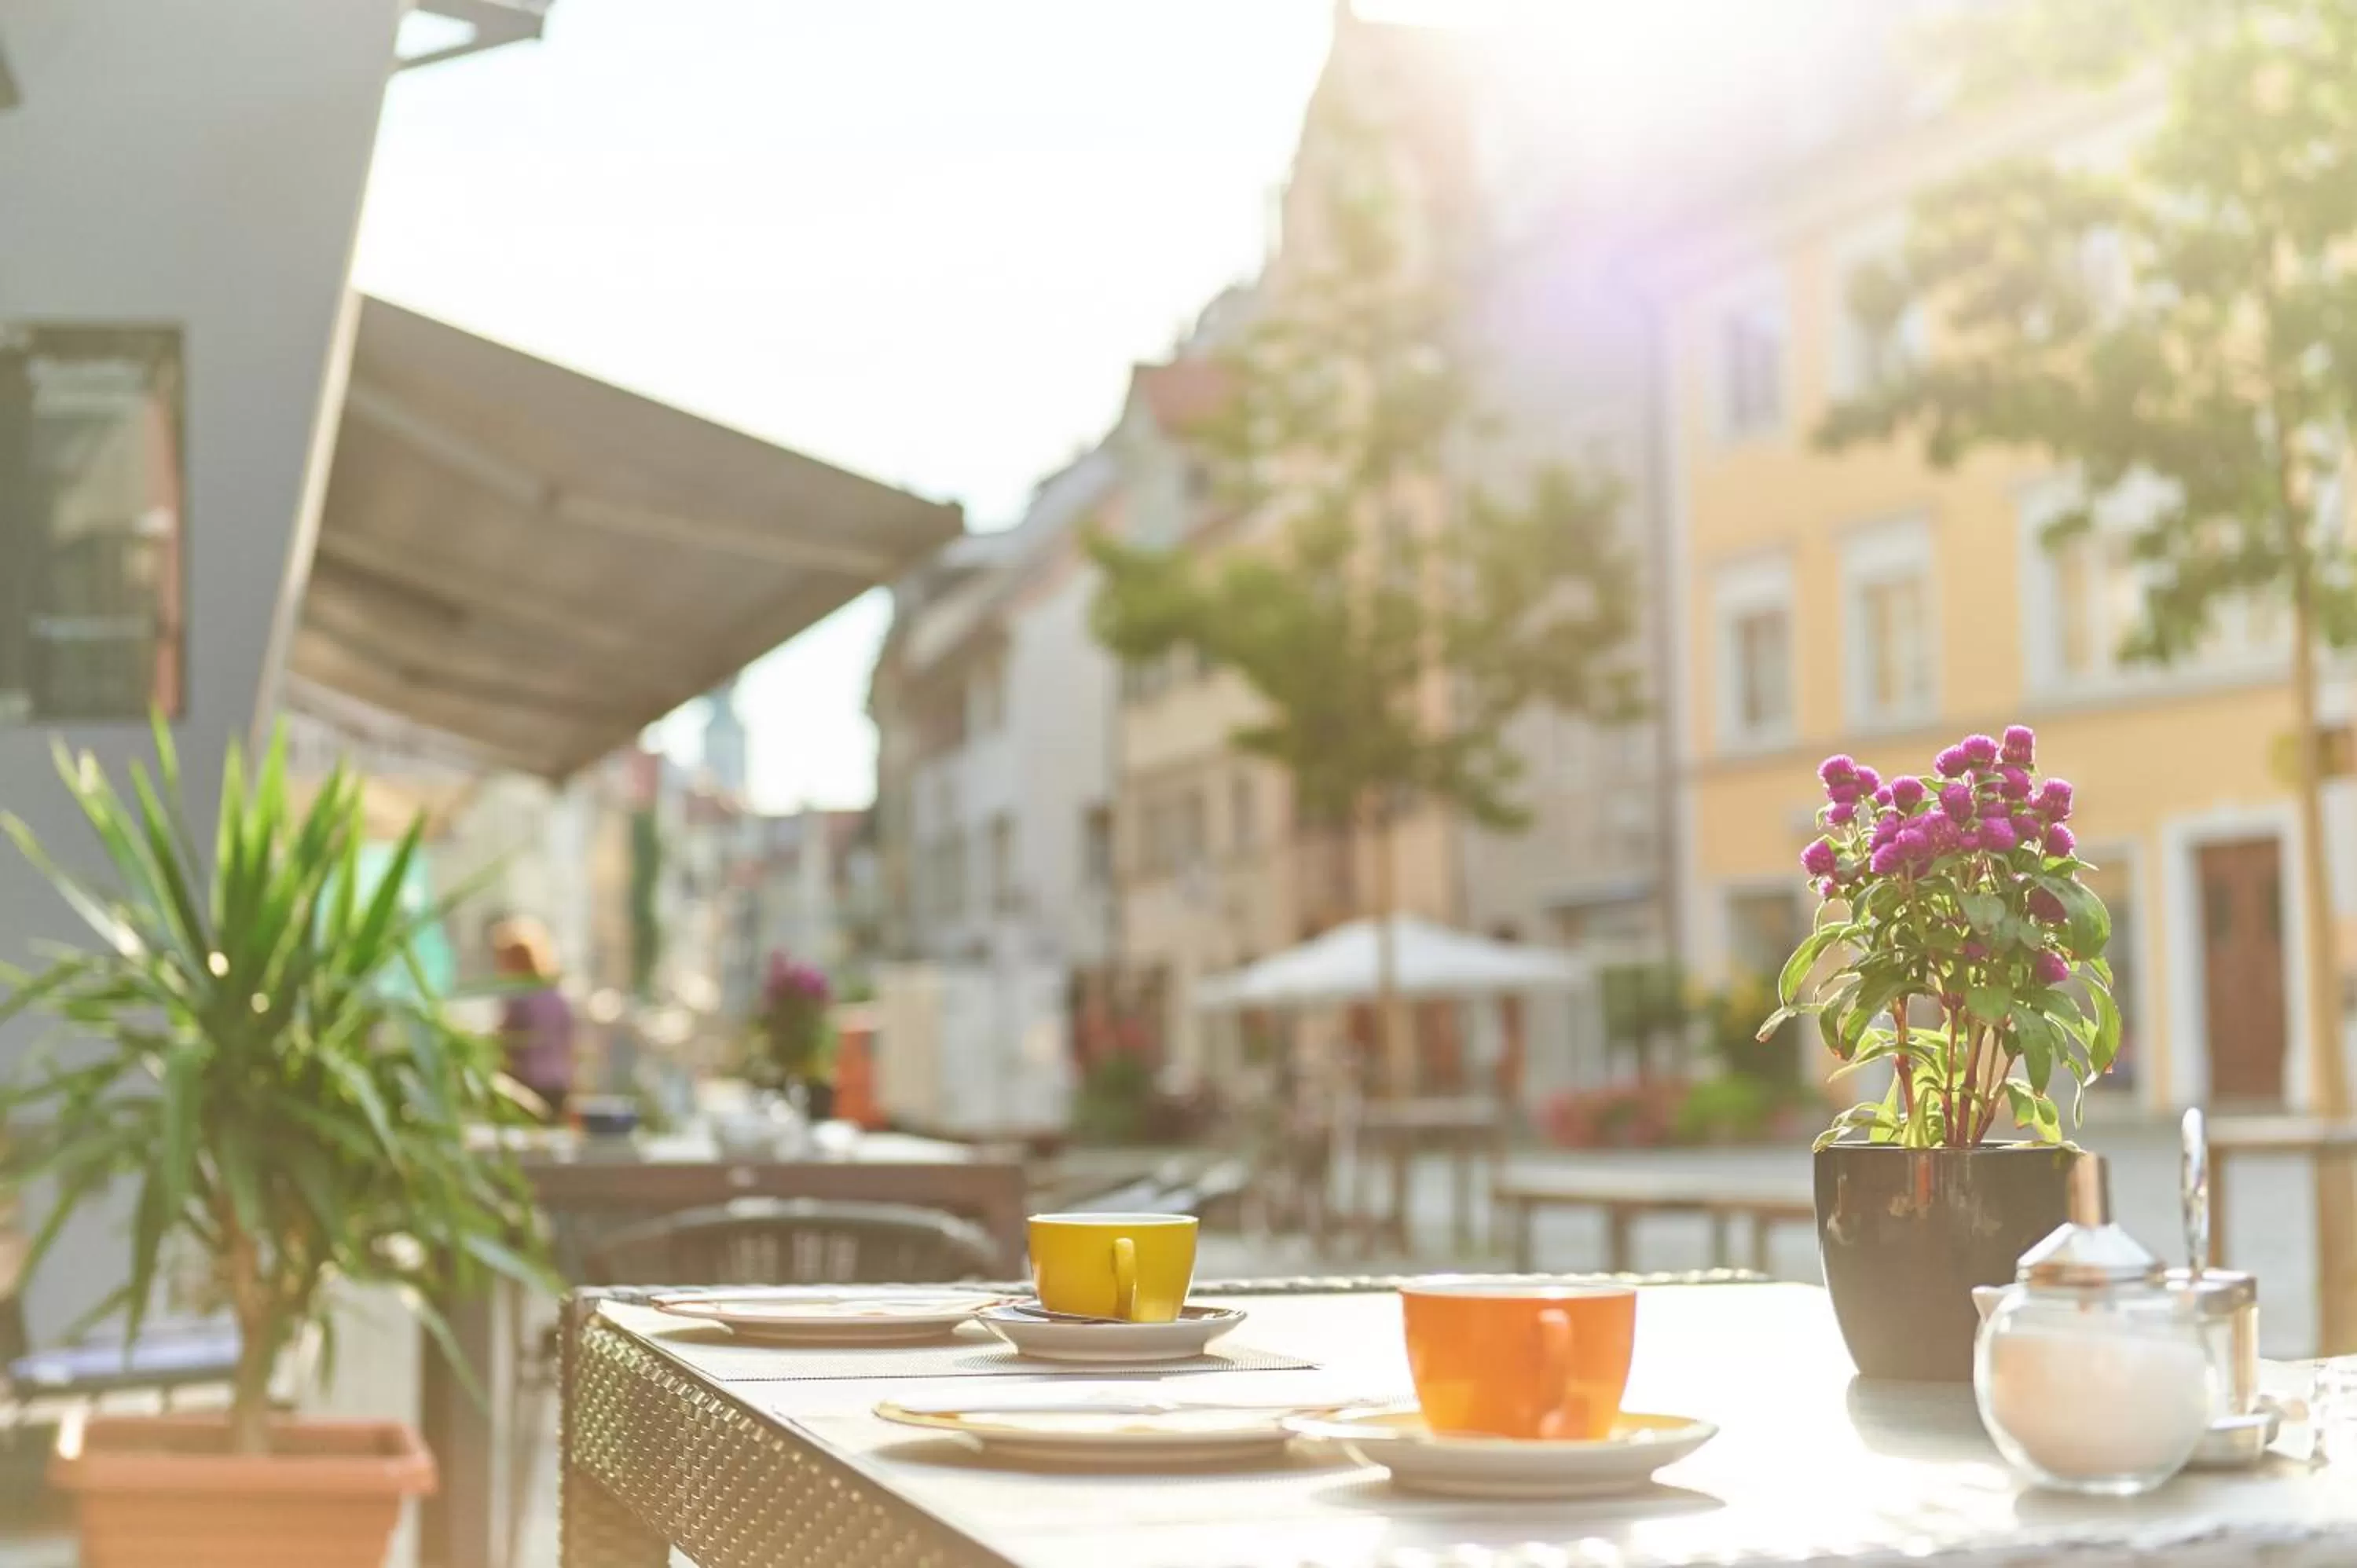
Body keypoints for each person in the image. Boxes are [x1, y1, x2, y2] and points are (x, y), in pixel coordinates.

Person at [490, 917, 575, 1122]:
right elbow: (568, 1041)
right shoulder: (556, 996)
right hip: (557, 1081)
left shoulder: (520, 998)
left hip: (526, 1083)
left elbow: (508, 1042)